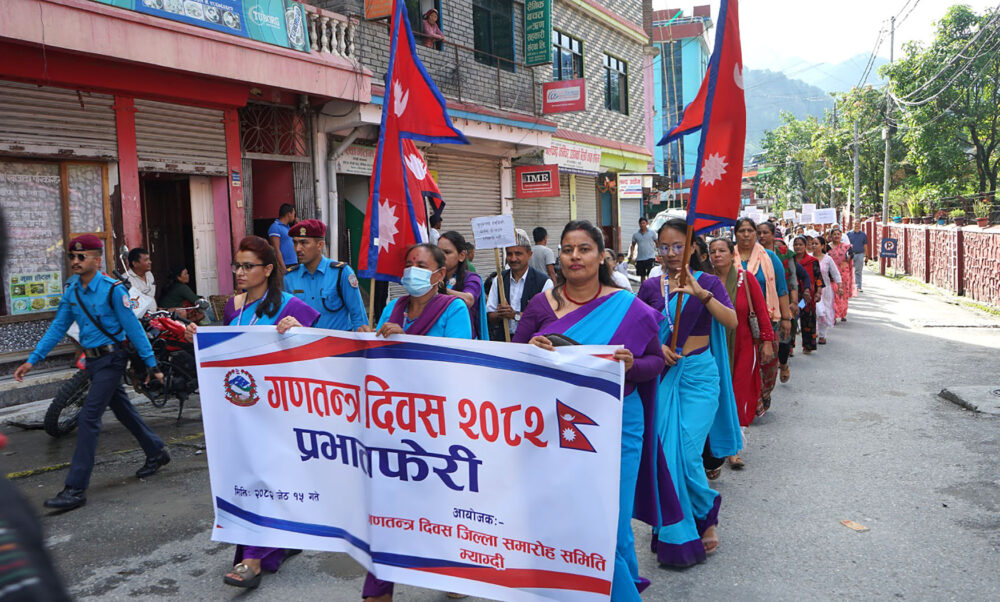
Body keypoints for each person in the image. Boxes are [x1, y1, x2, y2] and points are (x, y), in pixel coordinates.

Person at [515, 220, 681, 600]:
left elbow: (655, 362)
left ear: (602, 256)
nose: (575, 256)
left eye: (584, 248)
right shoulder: (541, 305)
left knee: (609, 523)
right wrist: (531, 349)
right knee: (579, 520)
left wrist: (631, 366)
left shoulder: (626, 305)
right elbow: (513, 359)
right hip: (557, 428)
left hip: (619, 423)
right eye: (568, 249)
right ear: (559, 257)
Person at [184, 236, 319, 589]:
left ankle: (253, 559)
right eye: (237, 265)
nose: (240, 272)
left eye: (248, 266)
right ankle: (281, 540)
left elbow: (316, 355)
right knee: (248, 478)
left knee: (266, 477)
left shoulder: (292, 306)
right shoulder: (234, 306)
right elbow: (230, 349)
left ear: (269, 269)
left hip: (280, 411)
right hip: (242, 410)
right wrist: (199, 337)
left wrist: (299, 332)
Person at [13, 235, 169, 511]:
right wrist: (32, 360)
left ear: (97, 260)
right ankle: (156, 451)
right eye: (72, 257)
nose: (75, 261)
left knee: (88, 418)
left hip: (112, 359)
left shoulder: (112, 290)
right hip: (94, 362)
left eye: (81, 256)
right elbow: (58, 327)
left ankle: (75, 489)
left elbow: (133, 328)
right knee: (123, 411)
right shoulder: (72, 290)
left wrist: (151, 363)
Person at [365, 243, 472, 602]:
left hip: (438, 423)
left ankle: (453, 568)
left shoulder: (453, 308)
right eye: (409, 263)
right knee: (386, 505)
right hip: (394, 421)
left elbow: (457, 359)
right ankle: (378, 589)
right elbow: (375, 355)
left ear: (440, 274)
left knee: (440, 502)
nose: (413, 270)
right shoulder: (392, 308)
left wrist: (405, 340)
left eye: (422, 265)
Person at [637, 219, 739, 567]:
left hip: (699, 377)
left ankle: (705, 513)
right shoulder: (650, 287)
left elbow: (731, 321)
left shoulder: (708, 282)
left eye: (678, 246)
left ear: (693, 247)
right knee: (664, 452)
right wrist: (657, 347)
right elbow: (637, 328)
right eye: (664, 247)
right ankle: (674, 522)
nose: (670, 253)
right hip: (663, 378)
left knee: (686, 448)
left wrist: (700, 295)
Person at [708, 237, 775, 469]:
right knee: (715, 393)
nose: (717, 255)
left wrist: (767, 341)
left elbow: (761, 311)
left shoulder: (745, 279)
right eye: (713, 251)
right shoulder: (705, 282)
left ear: (732, 254)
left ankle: (734, 447)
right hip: (713, 347)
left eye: (722, 250)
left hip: (744, 346)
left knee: (738, 393)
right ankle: (714, 444)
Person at [734, 218, 791, 417]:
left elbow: (781, 290)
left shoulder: (770, 258)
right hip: (736, 323)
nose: (746, 234)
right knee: (741, 365)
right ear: (735, 234)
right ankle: (750, 402)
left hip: (766, 321)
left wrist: (786, 319)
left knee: (767, 364)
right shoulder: (727, 256)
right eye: (742, 230)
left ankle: (763, 394)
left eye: (750, 230)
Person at [285, 219, 369, 332]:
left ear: (320, 245)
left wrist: (362, 337)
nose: (298, 248)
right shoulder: (289, 278)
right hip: (304, 341)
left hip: (338, 342)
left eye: (304, 243)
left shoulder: (341, 273)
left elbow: (358, 317)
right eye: (295, 243)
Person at [486, 229, 553, 339]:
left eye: (518, 254)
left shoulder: (544, 282)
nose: (513, 259)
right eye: (509, 254)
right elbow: (490, 314)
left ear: (529, 254)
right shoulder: (499, 280)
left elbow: (545, 319)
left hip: (532, 342)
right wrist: (500, 314)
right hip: (503, 341)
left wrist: (515, 315)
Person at [757, 221, 801, 383]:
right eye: (759, 233)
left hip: (782, 300)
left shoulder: (784, 254)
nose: (762, 236)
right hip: (760, 302)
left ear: (773, 234)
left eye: (765, 232)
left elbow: (793, 279)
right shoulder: (752, 254)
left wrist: (793, 302)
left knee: (783, 336)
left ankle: (783, 364)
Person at [438, 231, 487, 339]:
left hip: (463, 338)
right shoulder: (432, 277)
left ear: (461, 256)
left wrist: (442, 289)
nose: (441, 257)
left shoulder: (471, 278)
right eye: (438, 252)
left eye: (447, 252)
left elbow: (468, 299)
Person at [812, 235, 841, 345]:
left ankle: (822, 335)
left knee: (823, 313)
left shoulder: (828, 259)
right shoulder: (808, 257)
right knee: (808, 309)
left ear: (822, 246)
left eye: (816, 244)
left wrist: (840, 287)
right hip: (810, 290)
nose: (814, 246)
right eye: (812, 243)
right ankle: (812, 332)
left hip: (825, 291)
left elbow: (835, 273)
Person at [794, 235, 821, 354]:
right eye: (796, 245)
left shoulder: (812, 261)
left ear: (805, 246)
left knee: (807, 319)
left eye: (801, 244)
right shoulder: (790, 260)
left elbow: (818, 278)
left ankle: (808, 345)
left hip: (807, 296)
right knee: (792, 319)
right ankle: (789, 347)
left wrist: (818, 293)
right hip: (793, 295)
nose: (798, 247)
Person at [827, 226, 856, 321]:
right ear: (831, 236)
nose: (836, 236)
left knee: (843, 294)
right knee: (833, 293)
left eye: (838, 234)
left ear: (841, 236)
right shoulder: (826, 247)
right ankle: (834, 314)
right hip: (831, 274)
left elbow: (851, 255)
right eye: (834, 234)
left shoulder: (846, 247)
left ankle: (843, 312)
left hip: (844, 274)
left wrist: (848, 258)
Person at [268, 203, 298, 273]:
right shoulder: (275, 227)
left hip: (293, 263)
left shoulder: (287, 227)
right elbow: (276, 249)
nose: (294, 217)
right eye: (294, 214)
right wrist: (283, 268)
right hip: (286, 265)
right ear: (289, 214)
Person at [125, 246, 157, 311]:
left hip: (154, 314)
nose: (150, 262)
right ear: (135, 263)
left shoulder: (149, 274)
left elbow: (151, 296)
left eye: (149, 259)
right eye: (146, 260)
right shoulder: (126, 279)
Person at [630, 216, 657, 281]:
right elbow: (633, 245)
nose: (642, 225)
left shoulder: (652, 233)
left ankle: (650, 286)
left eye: (643, 223)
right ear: (639, 224)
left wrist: (659, 252)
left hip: (650, 257)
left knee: (650, 274)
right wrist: (631, 254)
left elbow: (657, 243)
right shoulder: (635, 235)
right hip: (640, 258)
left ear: (647, 223)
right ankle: (644, 286)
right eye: (641, 223)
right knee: (642, 275)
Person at [846, 221, 868, 292]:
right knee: (848, 270)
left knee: (858, 271)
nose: (857, 225)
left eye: (858, 224)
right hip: (850, 254)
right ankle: (849, 286)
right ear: (853, 225)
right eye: (855, 224)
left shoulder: (863, 235)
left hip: (860, 254)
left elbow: (865, 245)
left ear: (860, 225)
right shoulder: (848, 234)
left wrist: (866, 256)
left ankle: (858, 286)